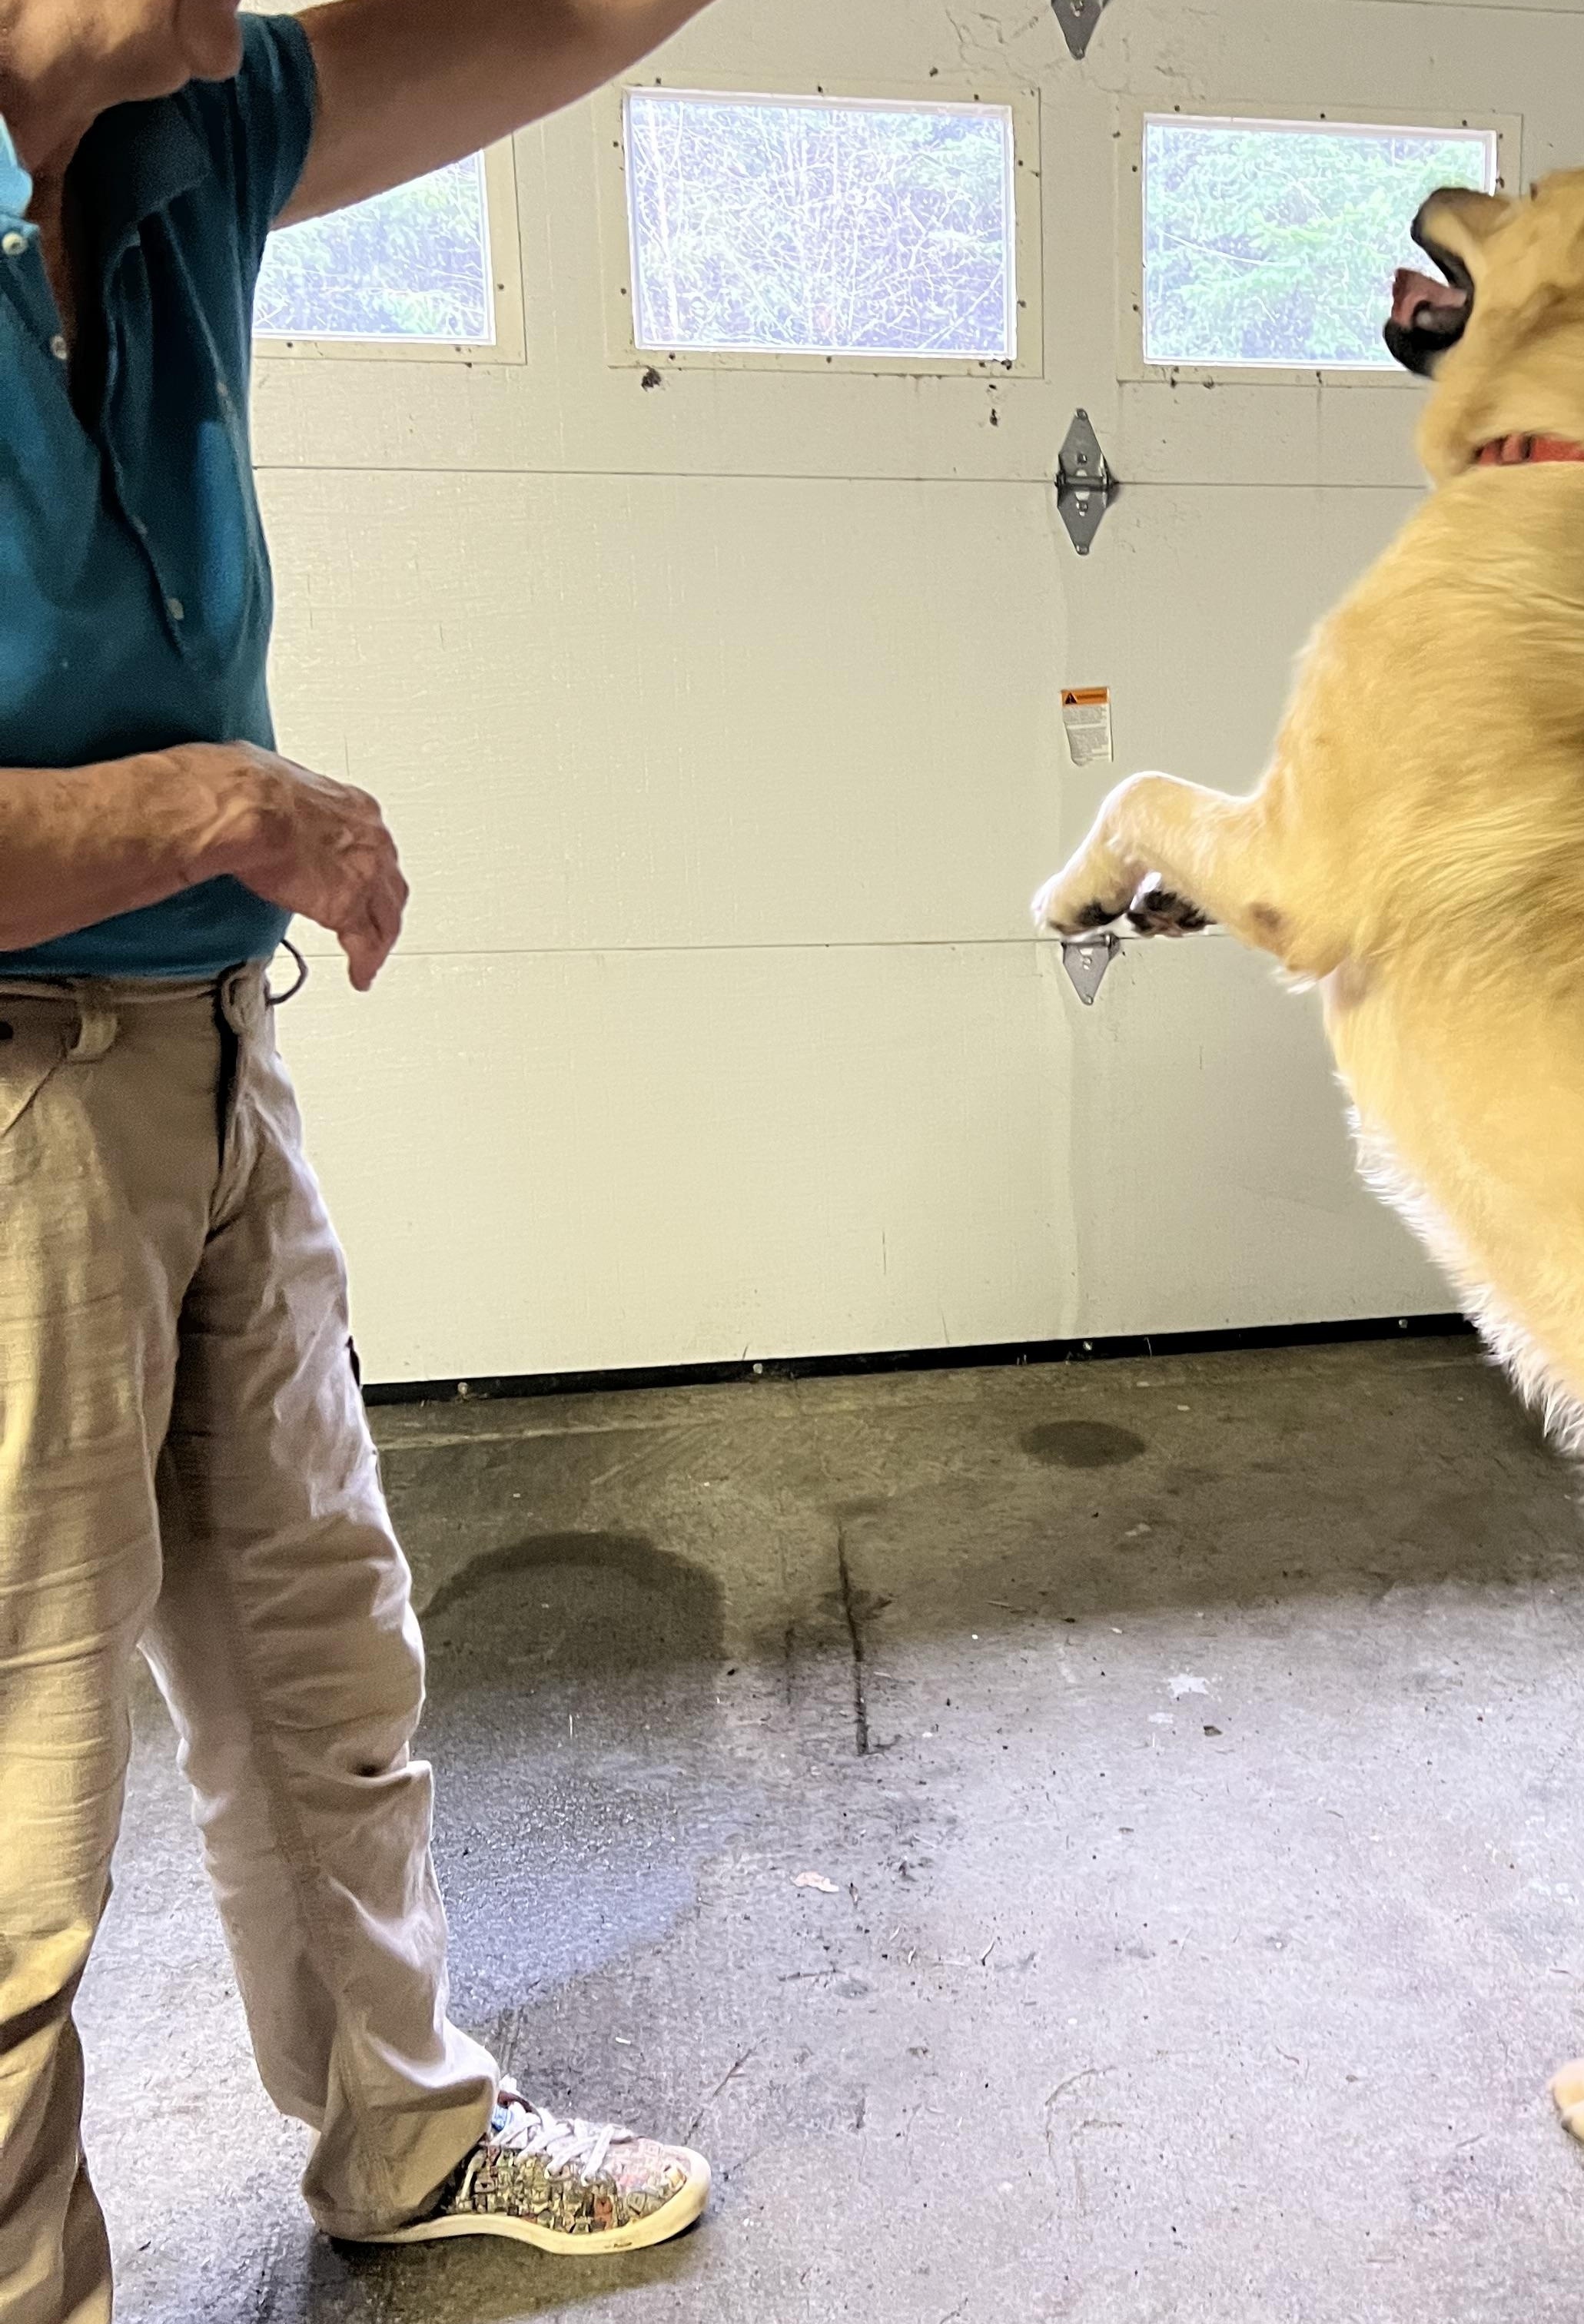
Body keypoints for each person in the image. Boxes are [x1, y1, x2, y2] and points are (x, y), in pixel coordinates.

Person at [0, 2, 729, 2312]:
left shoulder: (186, 129)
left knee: (323, 1652)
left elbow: (584, 10)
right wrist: (205, 805)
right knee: (17, 1790)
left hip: (207, 1045)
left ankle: (402, 2136)